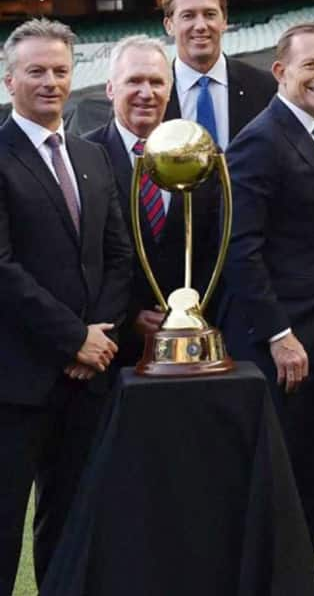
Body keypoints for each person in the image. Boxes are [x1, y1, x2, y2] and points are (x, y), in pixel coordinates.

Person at [0, 18, 132, 594]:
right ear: (10, 81)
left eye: (60, 70)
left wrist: (95, 340)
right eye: (37, 71)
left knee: (73, 524)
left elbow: (118, 256)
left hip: (87, 381)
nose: (50, 81)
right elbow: (2, 268)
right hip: (15, 381)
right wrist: (72, 337)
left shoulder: (92, 155)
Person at [219, 22, 314, 548]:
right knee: (278, 488)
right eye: (312, 65)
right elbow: (240, 248)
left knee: (308, 482)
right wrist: (278, 334)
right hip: (282, 351)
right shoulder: (259, 141)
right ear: (280, 72)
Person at [84, 35, 216, 368]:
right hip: (112, 352)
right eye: (134, 81)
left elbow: (214, 246)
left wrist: (190, 310)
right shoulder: (83, 158)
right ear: (110, 89)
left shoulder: (199, 154)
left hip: (189, 347)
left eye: (157, 82)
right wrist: (128, 316)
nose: (147, 92)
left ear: (170, 91)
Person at [160, 0, 276, 150]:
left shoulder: (266, 87)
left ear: (224, 22)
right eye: (188, 16)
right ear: (169, 25)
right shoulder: (150, 95)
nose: (200, 25)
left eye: (210, 14)